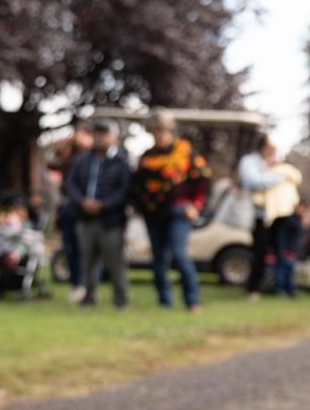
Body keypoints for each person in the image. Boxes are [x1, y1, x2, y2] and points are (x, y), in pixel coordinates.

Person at [131, 109, 210, 313]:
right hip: (154, 214)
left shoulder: (186, 152)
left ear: (170, 130)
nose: (159, 135)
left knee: (178, 253)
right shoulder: (147, 157)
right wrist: (141, 209)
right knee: (158, 258)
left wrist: (196, 205)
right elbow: (137, 187)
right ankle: (165, 301)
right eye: (154, 131)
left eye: (162, 130)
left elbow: (202, 182)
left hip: (179, 212)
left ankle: (192, 300)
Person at [62, 121, 132, 309]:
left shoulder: (121, 162)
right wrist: (82, 202)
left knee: (115, 262)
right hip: (85, 218)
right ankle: (88, 297)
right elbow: (69, 184)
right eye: (97, 134)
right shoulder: (82, 160)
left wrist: (103, 205)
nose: (100, 138)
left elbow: (124, 191)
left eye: (104, 134)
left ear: (113, 137)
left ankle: (120, 299)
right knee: (87, 261)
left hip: (111, 221)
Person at [237, 134, 289, 301]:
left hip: (278, 214)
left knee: (281, 251)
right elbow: (253, 182)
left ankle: (279, 287)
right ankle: (253, 288)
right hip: (259, 215)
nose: (274, 151)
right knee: (259, 253)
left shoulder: (274, 163)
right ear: (264, 147)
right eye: (271, 147)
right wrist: (278, 177)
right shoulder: (250, 162)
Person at [47, 122, 94, 302]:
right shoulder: (69, 153)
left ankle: (87, 285)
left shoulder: (93, 156)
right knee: (70, 248)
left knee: (86, 248)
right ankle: (77, 284)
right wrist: (62, 145)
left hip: (85, 209)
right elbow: (51, 164)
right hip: (68, 206)